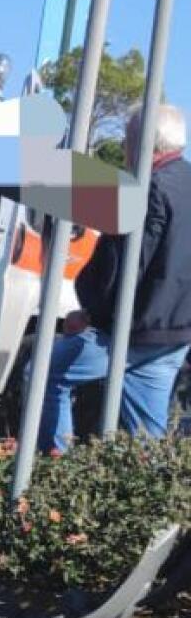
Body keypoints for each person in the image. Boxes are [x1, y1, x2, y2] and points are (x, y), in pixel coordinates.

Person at [39, 104, 191, 454]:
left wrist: (92, 314)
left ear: (141, 144)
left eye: (126, 140)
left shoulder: (150, 189)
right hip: (174, 333)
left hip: (132, 331)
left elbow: (127, 267)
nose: (123, 149)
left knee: (46, 373)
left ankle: (54, 472)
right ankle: (148, 501)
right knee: (145, 436)